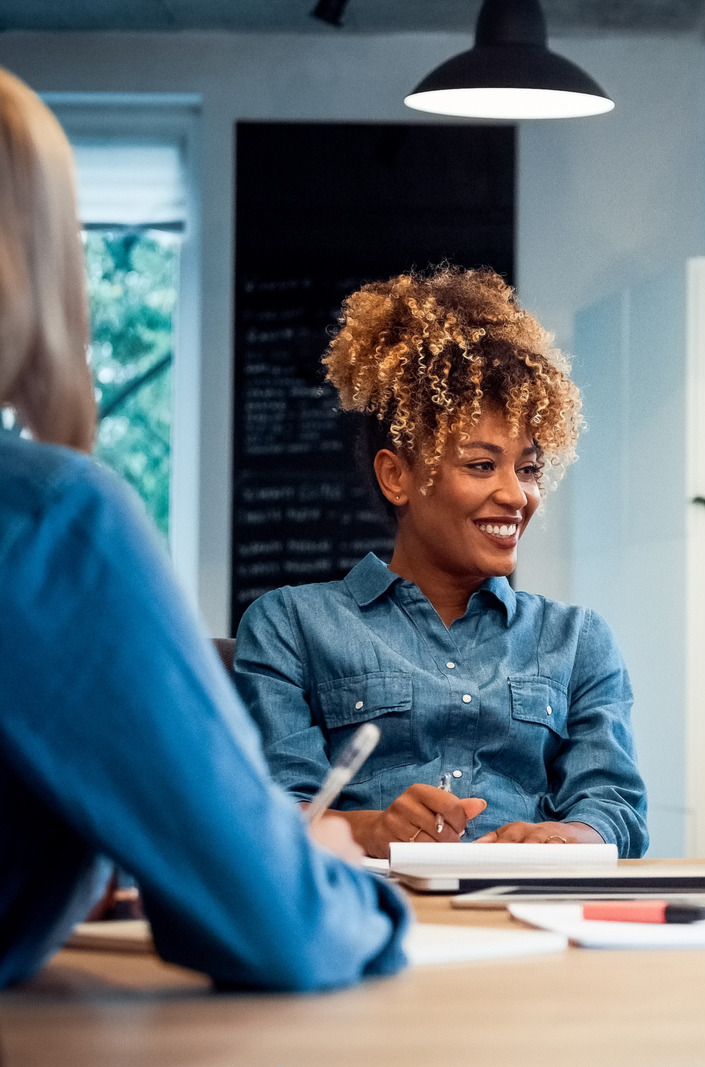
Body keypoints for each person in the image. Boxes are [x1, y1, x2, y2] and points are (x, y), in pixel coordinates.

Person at [0, 67, 408, 991]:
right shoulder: (48, 520)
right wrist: (334, 870)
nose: (511, 493)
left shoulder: (577, 639)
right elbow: (278, 922)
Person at [236, 267, 648, 859]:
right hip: (369, 907)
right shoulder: (291, 626)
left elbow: (615, 811)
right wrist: (372, 830)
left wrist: (561, 839)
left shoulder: (578, 641)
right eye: (482, 465)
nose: (516, 495)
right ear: (396, 476)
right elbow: (269, 811)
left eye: (528, 468)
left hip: (528, 912)